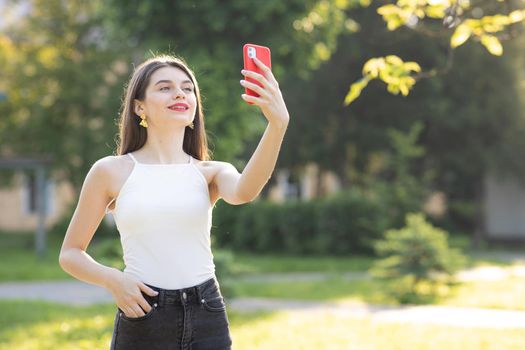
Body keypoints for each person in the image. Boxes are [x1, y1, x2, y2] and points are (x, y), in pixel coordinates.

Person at [58, 53, 290, 349]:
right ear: (139, 107)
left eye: (187, 88)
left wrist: (277, 124)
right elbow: (70, 254)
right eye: (165, 87)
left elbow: (245, 191)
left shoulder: (210, 172)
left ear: (194, 106)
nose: (180, 93)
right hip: (143, 313)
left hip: (207, 312)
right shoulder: (110, 171)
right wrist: (115, 281)